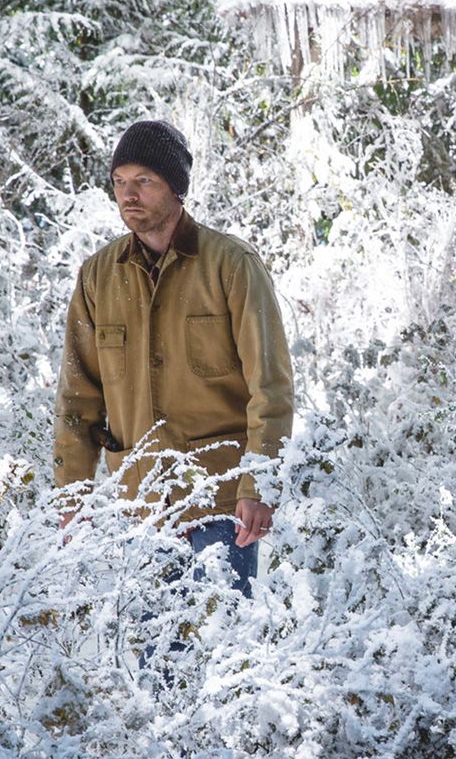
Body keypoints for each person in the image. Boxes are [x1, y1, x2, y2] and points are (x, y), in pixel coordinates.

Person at [52, 119, 292, 598]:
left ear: (176, 189)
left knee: (219, 649)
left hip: (220, 503)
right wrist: (72, 496)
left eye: (144, 181)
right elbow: (79, 398)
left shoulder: (231, 266)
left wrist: (258, 485)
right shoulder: (98, 277)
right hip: (138, 506)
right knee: (148, 662)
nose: (128, 195)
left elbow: (271, 386)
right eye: (120, 182)